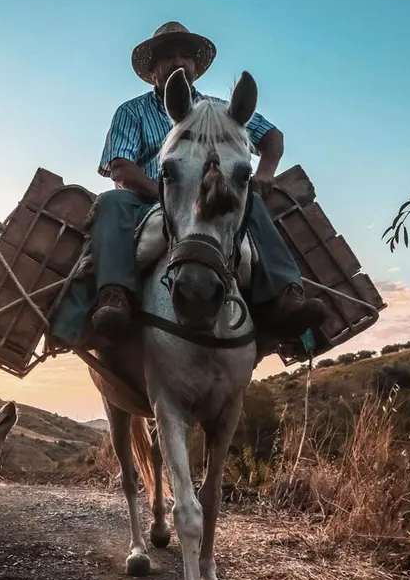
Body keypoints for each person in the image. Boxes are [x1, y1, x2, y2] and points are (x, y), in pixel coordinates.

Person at [89, 21, 328, 353]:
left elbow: (271, 136)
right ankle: (114, 296)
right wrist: (165, 192)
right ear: (153, 70)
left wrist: (267, 172)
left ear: (196, 66)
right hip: (147, 199)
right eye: (167, 57)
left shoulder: (220, 110)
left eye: (185, 56)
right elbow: (120, 166)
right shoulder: (132, 111)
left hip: (217, 198)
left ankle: (286, 296)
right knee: (111, 202)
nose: (178, 62)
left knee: (252, 203)